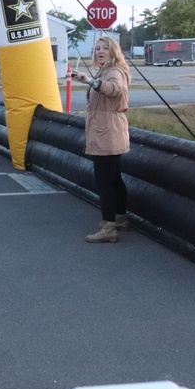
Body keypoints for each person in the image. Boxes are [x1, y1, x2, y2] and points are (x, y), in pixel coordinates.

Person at [69, 36, 131, 243]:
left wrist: (91, 81)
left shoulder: (113, 71)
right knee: (114, 178)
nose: (100, 51)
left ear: (113, 51)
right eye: (97, 48)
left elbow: (115, 89)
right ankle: (120, 218)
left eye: (105, 48)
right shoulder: (106, 70)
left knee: (104, 181)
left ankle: (108, 227)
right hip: (109, 130)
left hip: (107, 131)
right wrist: (90, 80)